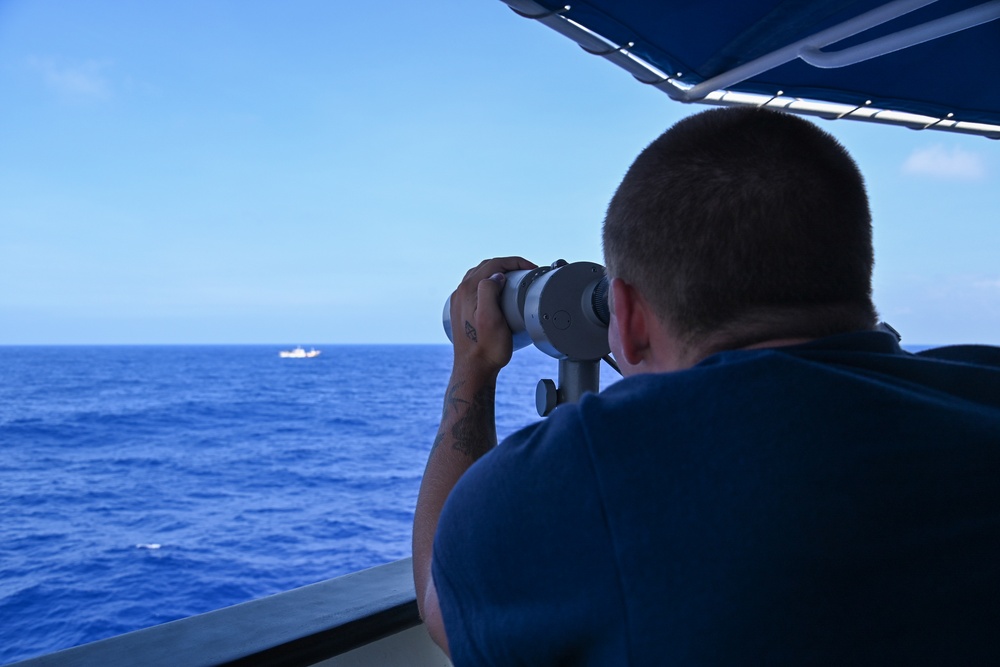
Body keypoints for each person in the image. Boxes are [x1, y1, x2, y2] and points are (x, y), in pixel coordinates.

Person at [412, 107, 1000, 665]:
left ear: (629, 315)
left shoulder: (585, 475)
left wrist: (473, 367)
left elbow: (444, 607)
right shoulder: (983, 388)